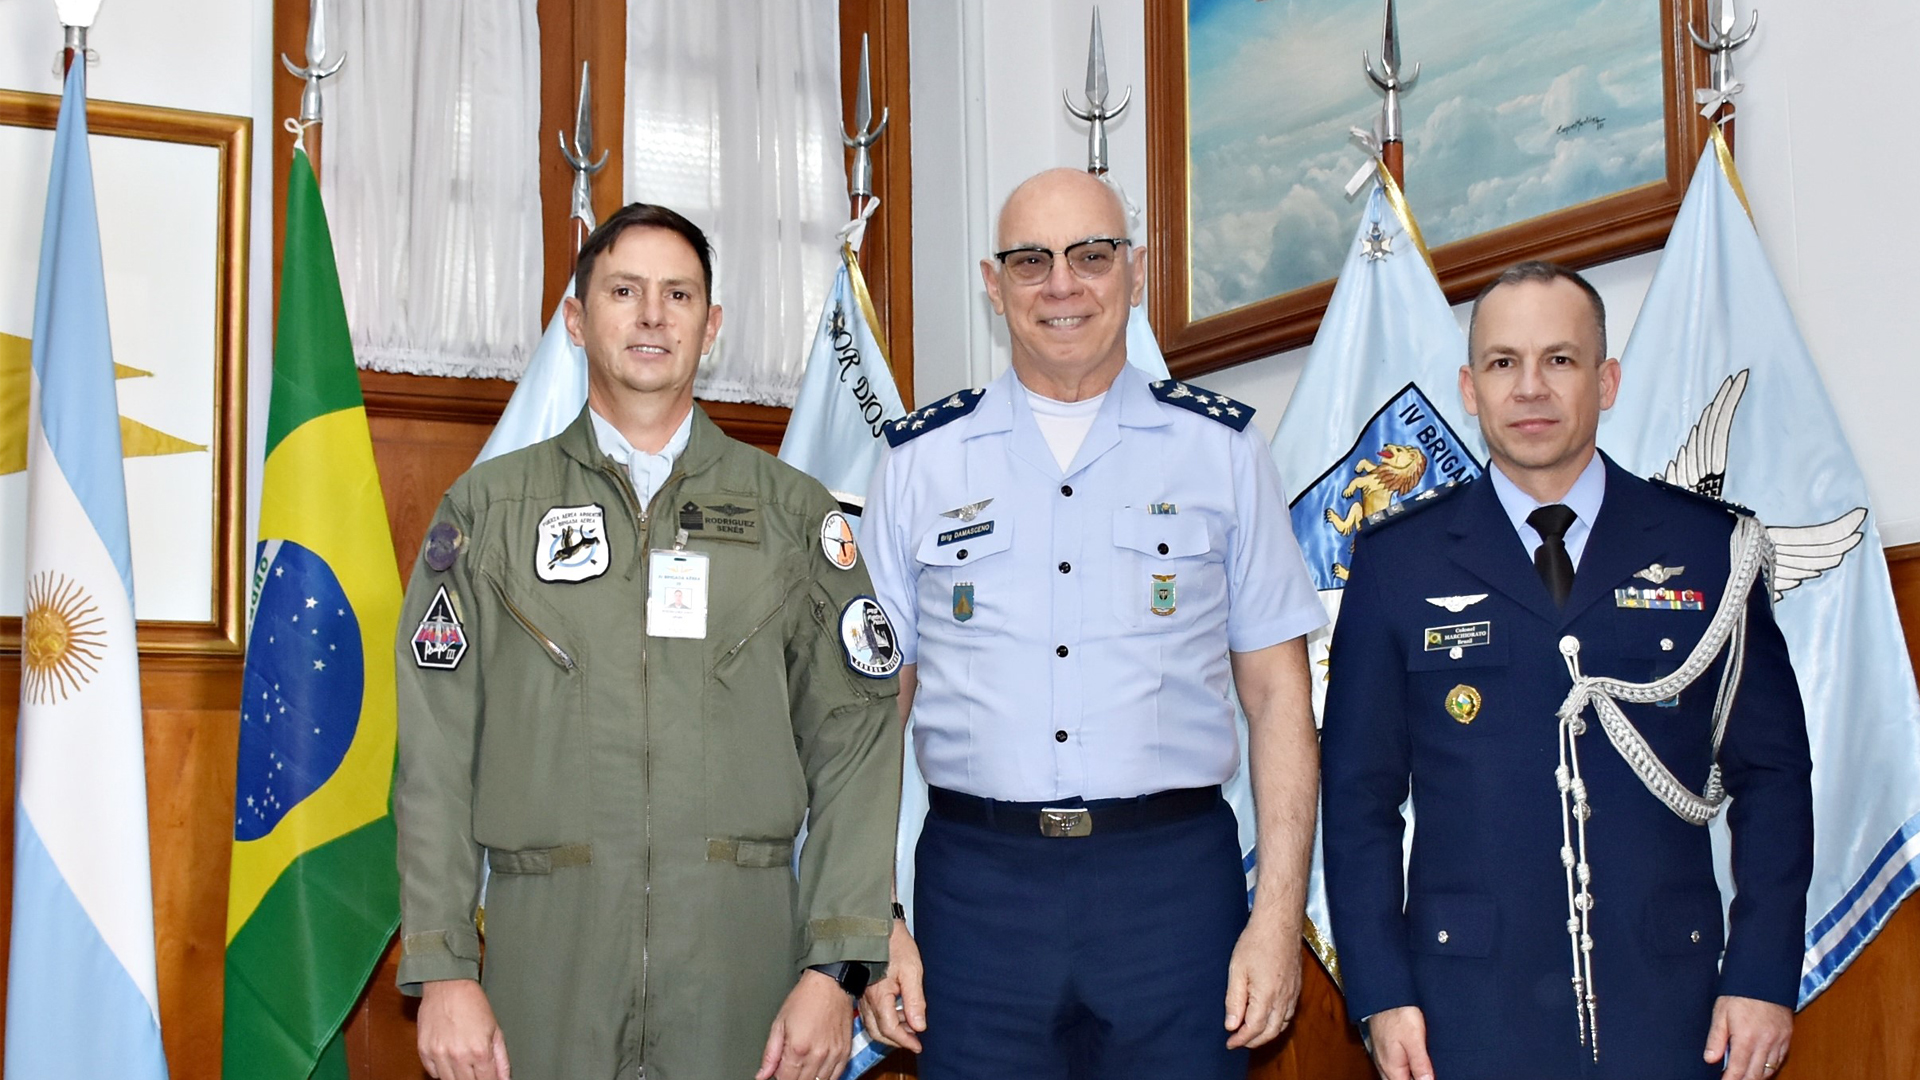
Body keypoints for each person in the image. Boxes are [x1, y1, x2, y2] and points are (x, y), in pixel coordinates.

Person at [392, 203, 902, 1080]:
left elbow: (858, 744)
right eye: (624, 291)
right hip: (545, 955)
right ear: (577, 319)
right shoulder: (488, 511)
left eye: (680, 294)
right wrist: (443, 966)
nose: (654, 315)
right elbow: (434, 753)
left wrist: (835, 968)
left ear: (713, 328)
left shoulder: (793, 516)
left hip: (738, 958)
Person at [856, 168, 1325, 1078]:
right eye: (1031, 261)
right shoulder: (920, 464)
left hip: (1171, 889)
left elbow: (1279, 700)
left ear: (1135, 273)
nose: (1062, 284)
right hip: (977, 891)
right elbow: (869, 715)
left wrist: (1275, 917)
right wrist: (873, 924)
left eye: (1091, 255)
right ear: (993, 286)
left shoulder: (1222, 450)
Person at [1321, 262, 1813, 1080]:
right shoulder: (1395, 564)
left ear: (1607, 379)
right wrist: (1380, 989)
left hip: (1674, 995)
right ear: (1470, 389)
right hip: (1464, 1005)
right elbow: (1358, 795)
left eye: (1560, 359)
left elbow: (1772, 773)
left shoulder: (1706, 548)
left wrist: (1763, 972)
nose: (1530, 388)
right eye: (1503, 363)